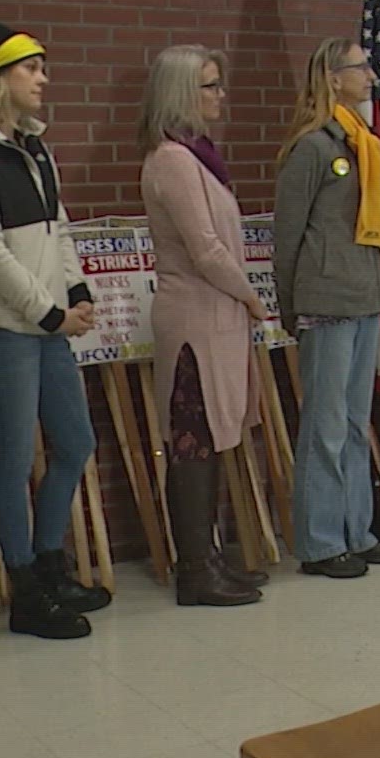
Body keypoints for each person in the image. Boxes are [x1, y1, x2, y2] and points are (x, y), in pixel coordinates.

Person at [0, 22, 108, 639]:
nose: (43, 79)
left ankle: (51, 561)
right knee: (12, 457)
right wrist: (48, 311)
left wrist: (77, 293)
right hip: (3, 327)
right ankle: (27, 591)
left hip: (45, 325)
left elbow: (57, 230)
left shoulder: (35, 145)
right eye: (31, 68)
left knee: (75, 442)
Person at [137, 44, 266, 607]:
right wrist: (251, 295)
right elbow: (206, 249)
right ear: (182, 93)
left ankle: (210, 556)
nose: (220, 95)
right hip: (193, 318)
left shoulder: (200, 155)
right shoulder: (171, 159)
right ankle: (194, 567)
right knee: (192, 438)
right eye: (210, 86)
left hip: (217, 316)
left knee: (212, 439)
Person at [273, 37, 380, 578]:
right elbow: (288, 235)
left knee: (354, 420)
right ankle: (320, 541)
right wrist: (289, 305)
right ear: (333, 77)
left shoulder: (362, 142)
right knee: (324, 422)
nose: (370, 76)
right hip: (324, 298)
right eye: (360, 68)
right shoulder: (314, 147)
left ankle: (357, 530)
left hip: (364, 294)